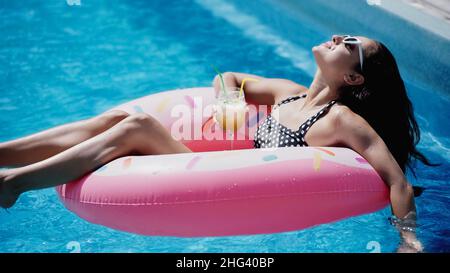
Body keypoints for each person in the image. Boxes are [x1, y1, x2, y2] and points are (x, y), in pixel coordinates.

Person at [0, 35, 436, 252]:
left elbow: (395, 180)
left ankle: (16, 183)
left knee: (133, 125)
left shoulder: (340, 120)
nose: (340, 38)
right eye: (344, 35)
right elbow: (228, 76)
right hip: (207, 170)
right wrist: (229, 102)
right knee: (120, 118)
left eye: (351, 46)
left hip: (226, 188)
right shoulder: (287, 92)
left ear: (353, 77)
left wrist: (408, 240)